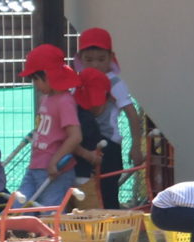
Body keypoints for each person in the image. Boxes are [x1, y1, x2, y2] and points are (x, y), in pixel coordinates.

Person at [74, 28, 145, 192]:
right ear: (80, 58)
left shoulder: (114, 83)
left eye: (101, 59)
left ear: (111, 57)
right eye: (89, 59)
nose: (95, 64)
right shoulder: (78, 81)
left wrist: (135, 146)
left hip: (108, 144)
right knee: (84, 193)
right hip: (83, 146)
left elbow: (131, 114)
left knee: (108, 192)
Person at [16, 48, 84, 207]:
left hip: (56, 171)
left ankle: (58, 232)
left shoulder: (64, 101)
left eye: (35, 79)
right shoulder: (45, 98)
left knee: (52, 212)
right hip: (35, 166)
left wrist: (56, 159)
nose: (35, 84)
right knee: (19, 207)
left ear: (47, 75)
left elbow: (75, 136)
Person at [72, 69, 119, 207]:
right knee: (89, 213)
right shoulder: (86, 120)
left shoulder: (73, 111)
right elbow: (71, 142)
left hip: (71, 174)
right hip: (83, 175)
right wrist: (89, 156)